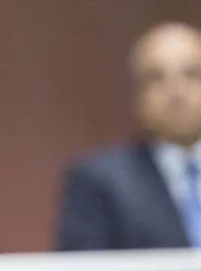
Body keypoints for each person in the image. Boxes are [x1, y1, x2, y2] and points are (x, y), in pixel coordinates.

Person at [57, 22, 201, 250]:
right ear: (138, 95)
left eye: (191, 74)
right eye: (157, 78)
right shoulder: (100, 182)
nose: (177, 91)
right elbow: (82, 268)